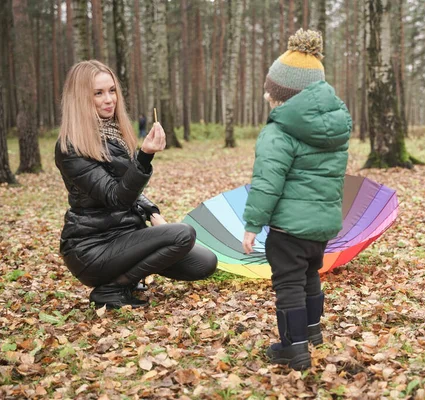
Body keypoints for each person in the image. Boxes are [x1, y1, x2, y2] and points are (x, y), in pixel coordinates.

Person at [55, 60, 217, 309]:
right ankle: (113, 288)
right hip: (92, 248)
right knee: (183, 233)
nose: (109, 99)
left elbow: (125, 186)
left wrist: (152, 211)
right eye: (98, 93)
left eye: (112, 91)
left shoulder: (113, 133)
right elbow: (115, 197)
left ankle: (126, 278)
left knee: (205, 262)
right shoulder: (70, 147)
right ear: (80, 98)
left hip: (125, 235)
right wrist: (144, 156)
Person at [242, 29, 351, 371]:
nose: (266, 95)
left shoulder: (278, 131)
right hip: (320, 226)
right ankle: (313, 332)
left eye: (270, 90)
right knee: (309, 275)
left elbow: (267, 182)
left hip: (289, 229)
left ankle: (295, 348)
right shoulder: (333, 128)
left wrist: (252, 224)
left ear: (283, 95)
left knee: (288, 283)